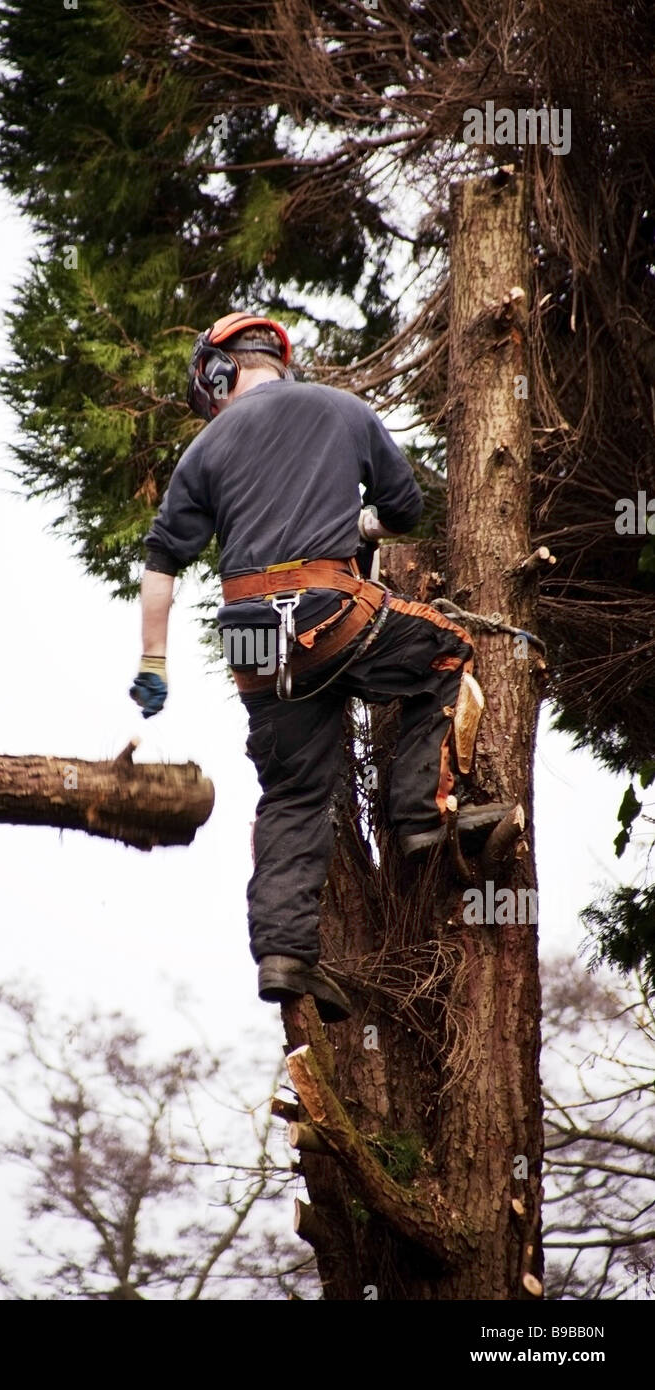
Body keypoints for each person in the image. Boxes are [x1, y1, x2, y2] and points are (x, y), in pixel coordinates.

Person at [130, 311, 511, 1022]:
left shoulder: (206, 448)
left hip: (250, 644)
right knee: (446, 651)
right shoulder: (346, 410)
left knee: (294, 793)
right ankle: (420, 817)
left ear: (217, 373)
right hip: (327, 615)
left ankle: (284, 954)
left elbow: (160, 566)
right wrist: (359, 525)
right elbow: (403, 509)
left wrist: (155, 664)